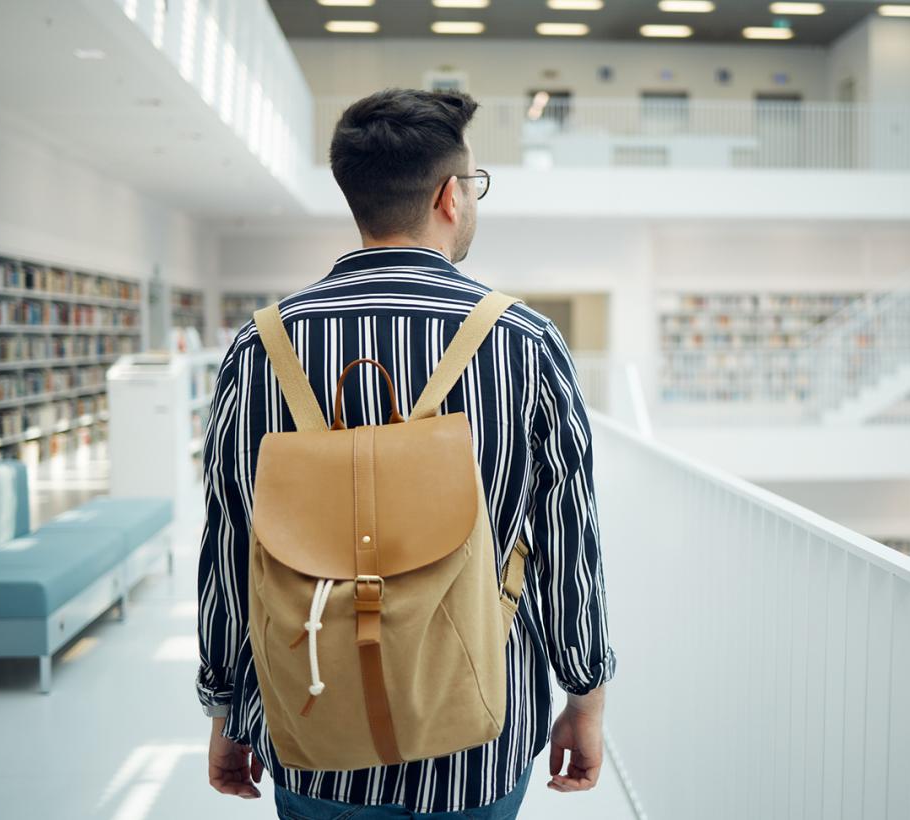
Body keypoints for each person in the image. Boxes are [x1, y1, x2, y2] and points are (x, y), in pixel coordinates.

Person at [195, 88, 616, 819]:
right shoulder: (525, 344)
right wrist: (585, 692)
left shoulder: (258, 351)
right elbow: (568, 541)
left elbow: (230, 544)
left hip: (311, 731)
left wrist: (225, 705)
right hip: (477, 739)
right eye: (474, 185)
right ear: (450, 196)